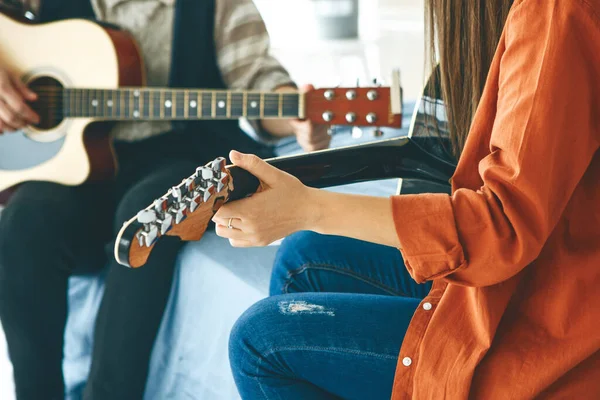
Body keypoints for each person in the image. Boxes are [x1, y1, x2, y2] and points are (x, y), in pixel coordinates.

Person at [215, 0, 600, 398]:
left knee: (259, 341)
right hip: (536, 268)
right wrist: (304, 214)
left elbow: (501, 227)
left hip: (552, 322)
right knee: (303, 257)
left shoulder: (555, 12)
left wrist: (310, 208)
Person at [0, 0, 329, 399]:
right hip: (75, 171)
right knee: (22, 223)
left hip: (179, 160)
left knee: (149, 215)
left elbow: (258, 80)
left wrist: (296, 115)